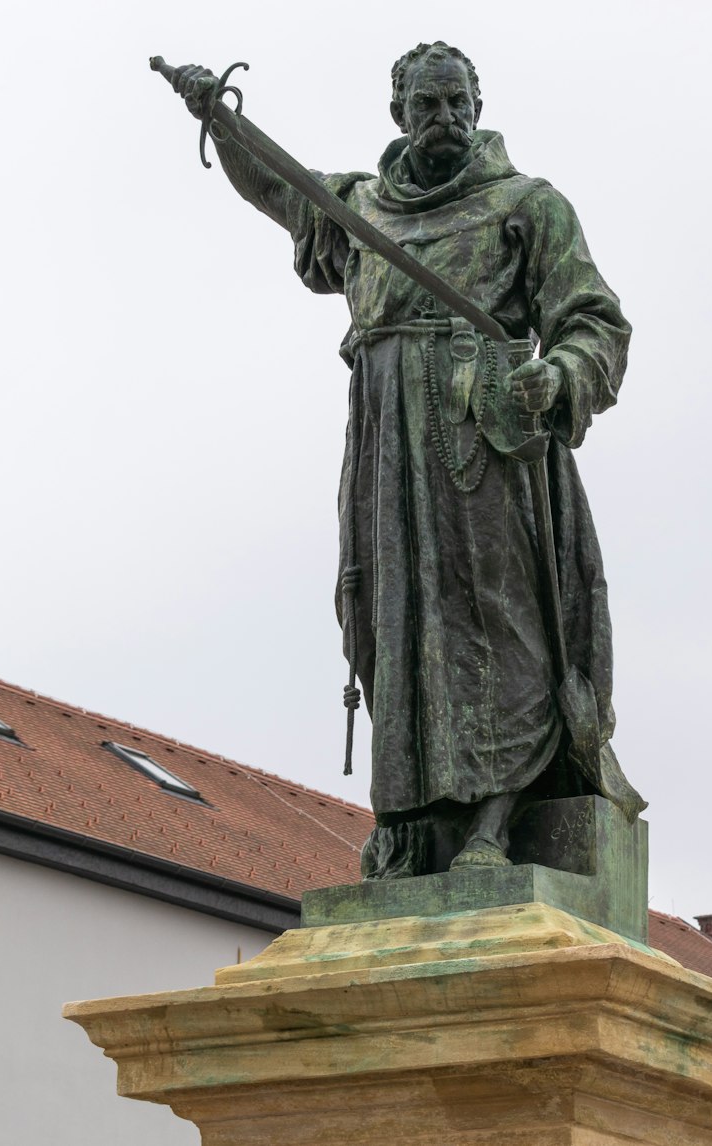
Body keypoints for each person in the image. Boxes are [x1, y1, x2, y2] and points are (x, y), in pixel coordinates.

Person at [170, 42, 640, 877]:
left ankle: (496, 821)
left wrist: (559, 374)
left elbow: (594, 322)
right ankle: (414, 820)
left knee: (495, 622)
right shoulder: (362, 211)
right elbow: (283, 189)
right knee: (385, 616)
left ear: (479, 107)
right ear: (399, 113)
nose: (446, 120)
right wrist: (220, 120)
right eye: (428, 105)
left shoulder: (527, 207)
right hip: (385, 445)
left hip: (482, 436)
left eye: (460, 103)